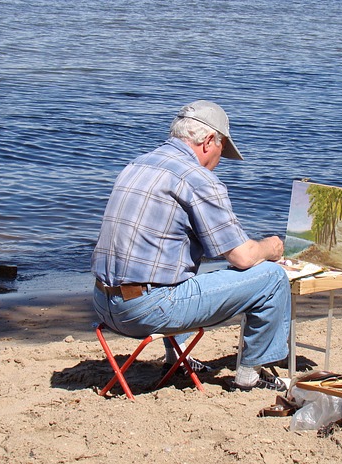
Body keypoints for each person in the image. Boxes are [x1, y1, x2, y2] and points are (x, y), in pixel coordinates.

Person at [91, 100, 291, 391]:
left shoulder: (138, 163)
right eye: (222, 151)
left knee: (176, 267)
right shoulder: (196, 177)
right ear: (209, 141)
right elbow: (243, 257)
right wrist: (271, 248)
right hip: (143, 313)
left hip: (102, 304)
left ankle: (177, 358)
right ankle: (250, 376)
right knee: (271, 279)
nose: (219, 161)